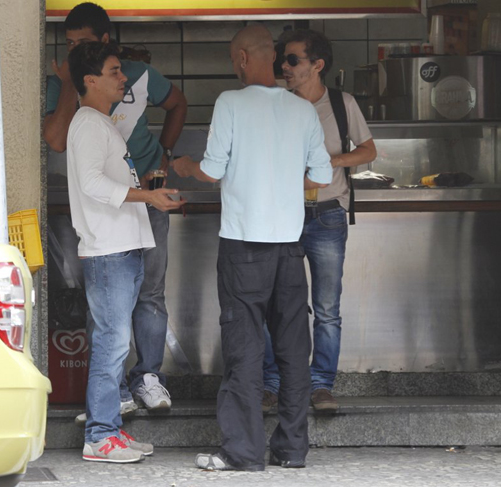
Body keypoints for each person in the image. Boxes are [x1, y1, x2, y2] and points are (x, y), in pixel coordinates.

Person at [172, 25, 332, 471]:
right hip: (289, 249)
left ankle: (243, 452)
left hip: (244, 247)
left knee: (244, 350)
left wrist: (184, 165)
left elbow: (211, 169)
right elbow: (320, 175)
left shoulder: (231, 103)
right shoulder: (302, 109)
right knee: (292, 351)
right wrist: (281, 184)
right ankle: (292, 450)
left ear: (242, 58)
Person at [44, 2, 188, 418]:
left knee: (150, 293)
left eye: (83, 44)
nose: (74, 50)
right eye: (69, 44)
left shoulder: (136, 76)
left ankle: (147, 377)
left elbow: (178, 103)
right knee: (107, 306)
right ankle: (111, 397)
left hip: (145, 205)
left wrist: (164, 155)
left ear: (106, 42)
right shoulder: (74, 94)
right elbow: (55, 141)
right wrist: (72, 82)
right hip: (107, 216)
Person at [66, 41, 185, 463]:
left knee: (114, 343)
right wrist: (147, 199)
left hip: (123, 248)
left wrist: (148, 197)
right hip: (110, 251)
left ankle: (110, 429)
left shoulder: (100, 123)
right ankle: (100, 435)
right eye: (115, 71)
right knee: (112, 344)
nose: (123, 78)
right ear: (90, 79)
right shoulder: (87, 124)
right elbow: (92, 184)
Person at [262, 29, 377, 413]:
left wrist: (331, 163)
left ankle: (321, 384)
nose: (284, 66)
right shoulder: (278, 104)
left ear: (317, 65)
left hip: (327, 215)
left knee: (327, 307)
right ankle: (273, 383)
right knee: (276, 303)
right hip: (285, 214)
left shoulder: (342, 105)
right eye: (284, 59)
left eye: (293, 60)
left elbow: (368, 150)